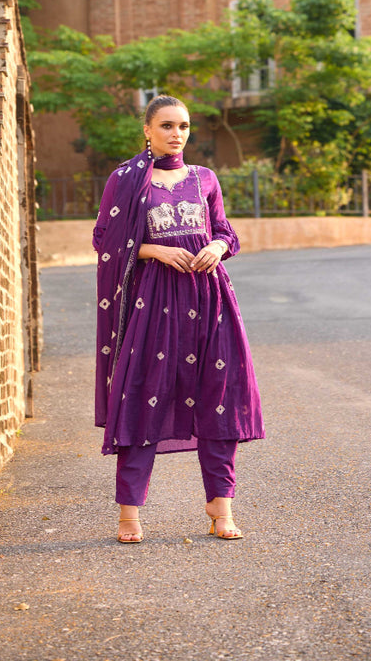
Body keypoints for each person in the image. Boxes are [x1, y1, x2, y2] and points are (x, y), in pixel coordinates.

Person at [92, 95, 264, 543]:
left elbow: (226, 230)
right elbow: (104, 239)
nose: (176, 134)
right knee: (141, 395)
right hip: (153, 304)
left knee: (218, 396)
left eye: (184, 126)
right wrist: (153, 250)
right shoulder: (127, 180)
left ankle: (220, 506)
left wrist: (218, 247)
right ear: (147, 130)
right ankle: (129, 514)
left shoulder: (205, 179)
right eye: (167, 125)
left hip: (210, 298)